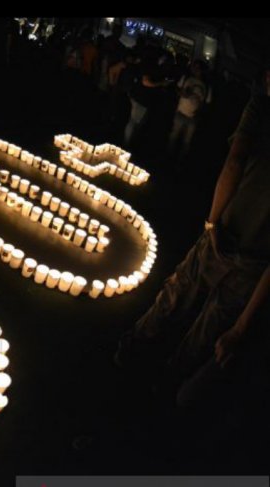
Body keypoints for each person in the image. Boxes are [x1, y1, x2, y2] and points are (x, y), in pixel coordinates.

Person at [115, 67, 270, 414]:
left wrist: (212, 223)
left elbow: (234, 161)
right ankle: (165, 386)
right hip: (256, 263)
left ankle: (130, 356)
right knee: (211, 327)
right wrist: (241, 327)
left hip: (226, 233)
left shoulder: (262, 107)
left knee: (179, 293)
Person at [167, 59, 212, 163]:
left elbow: (207, 102)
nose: (195, 70)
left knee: (187, 142)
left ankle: (179, 162)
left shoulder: (207, 86)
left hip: (193, 117)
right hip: (181, 112)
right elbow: (177, 89)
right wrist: (182, 93)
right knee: (173, 137)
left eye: (197, 68)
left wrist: (199, 112)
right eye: (194, 67)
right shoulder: (186, 78)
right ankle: (167, 159)